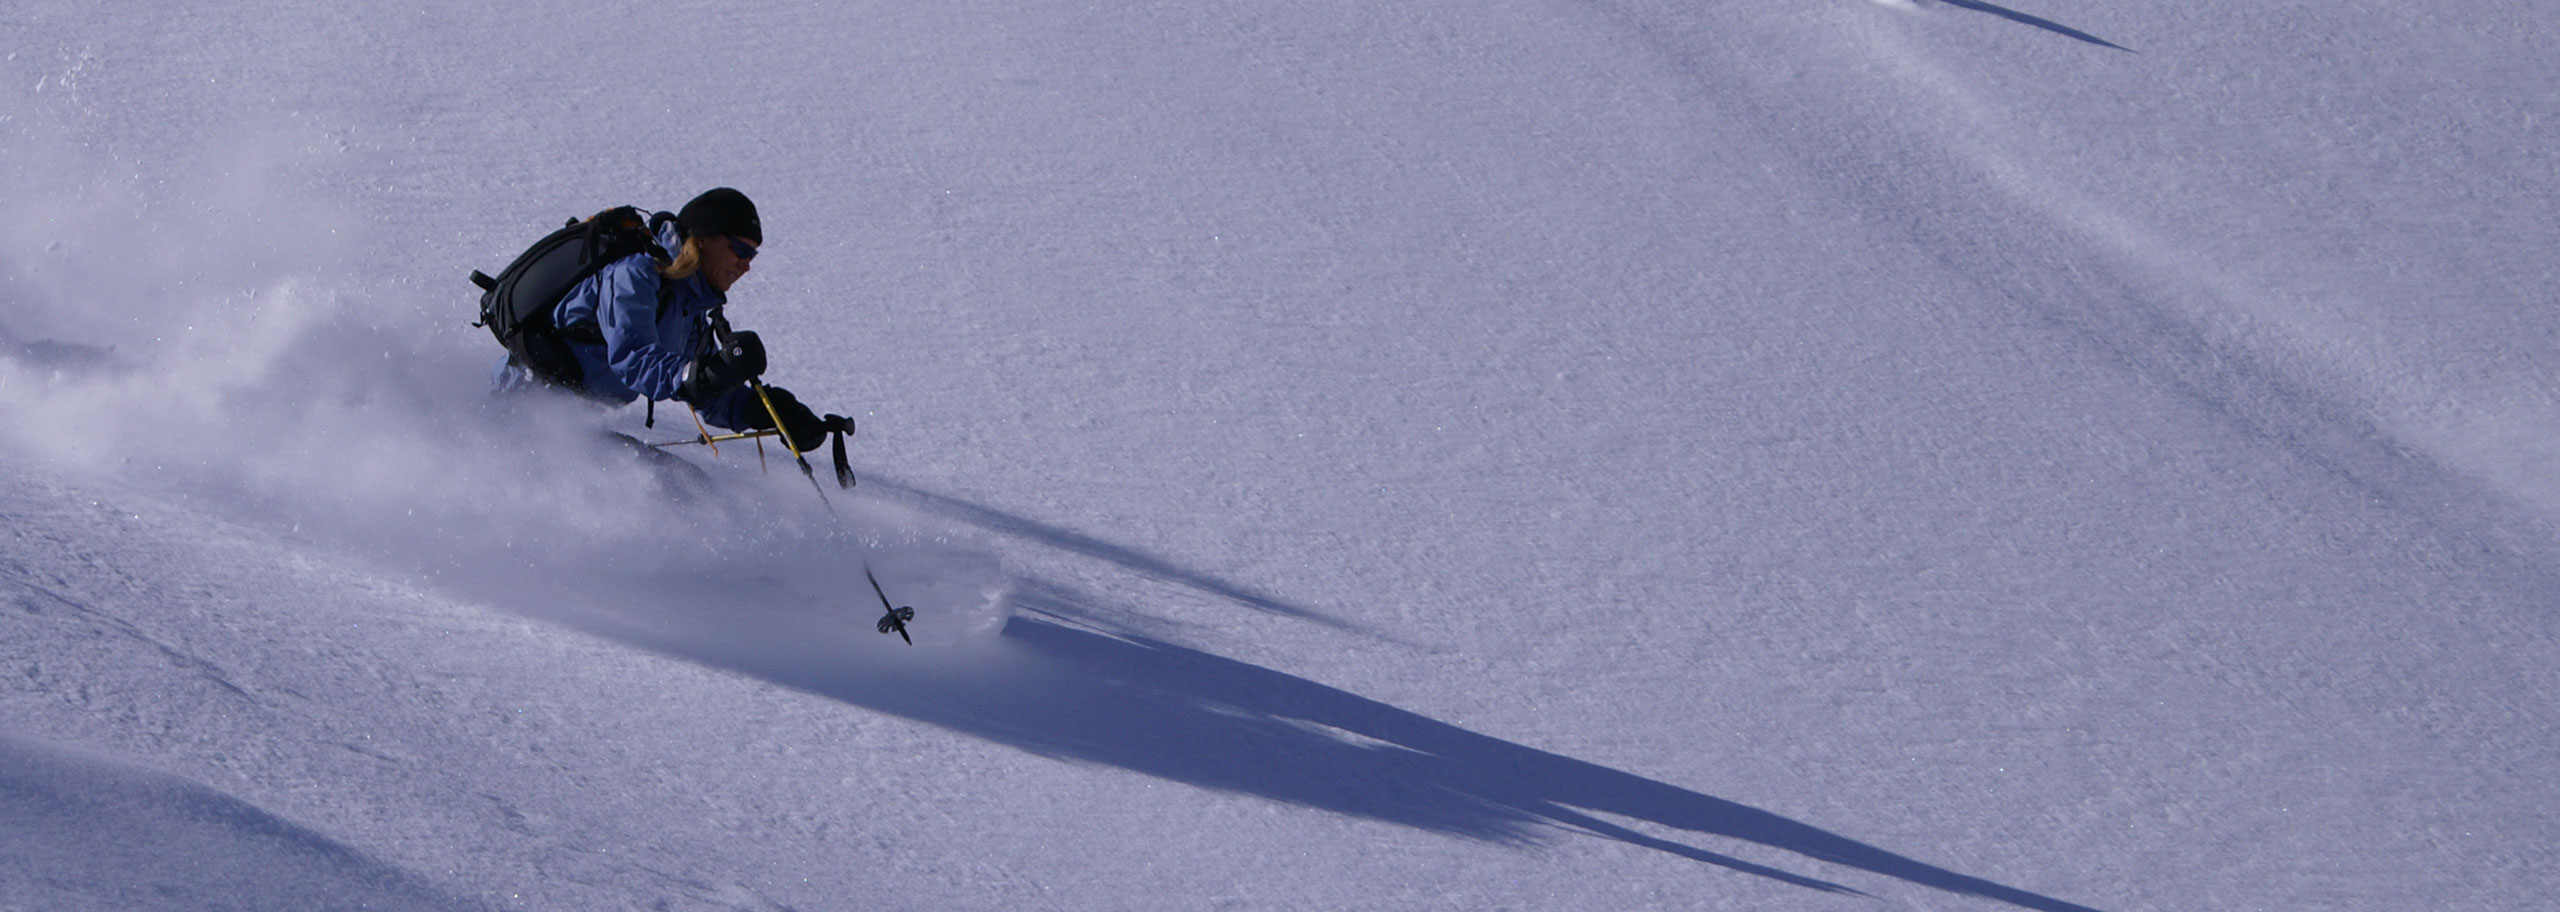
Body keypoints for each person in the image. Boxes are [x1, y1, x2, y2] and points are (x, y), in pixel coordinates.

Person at [495, 187, 849, 452]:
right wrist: (699, 375)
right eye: (740, 250)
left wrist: (770, 413)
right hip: (523, 412)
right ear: (704, 240)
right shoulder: (634, 274)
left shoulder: (688, 305)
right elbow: (632, 358)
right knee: (675, 495)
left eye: (752, 256)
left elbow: (709, 395)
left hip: (568, 425)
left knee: (689, 490)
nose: (746, 265)